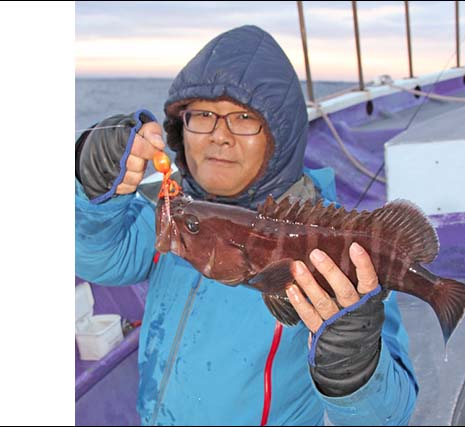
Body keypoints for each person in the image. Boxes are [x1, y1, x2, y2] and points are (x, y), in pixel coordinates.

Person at [76, 25, 418, 425]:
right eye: (202, 115)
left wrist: (354, 369)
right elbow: (99, 259)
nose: (219, 137)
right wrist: (90, 186)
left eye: (243, 118)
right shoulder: (177, 216)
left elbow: (387, 416)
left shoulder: (335, 253)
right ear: (179, 127)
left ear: (280, 136)